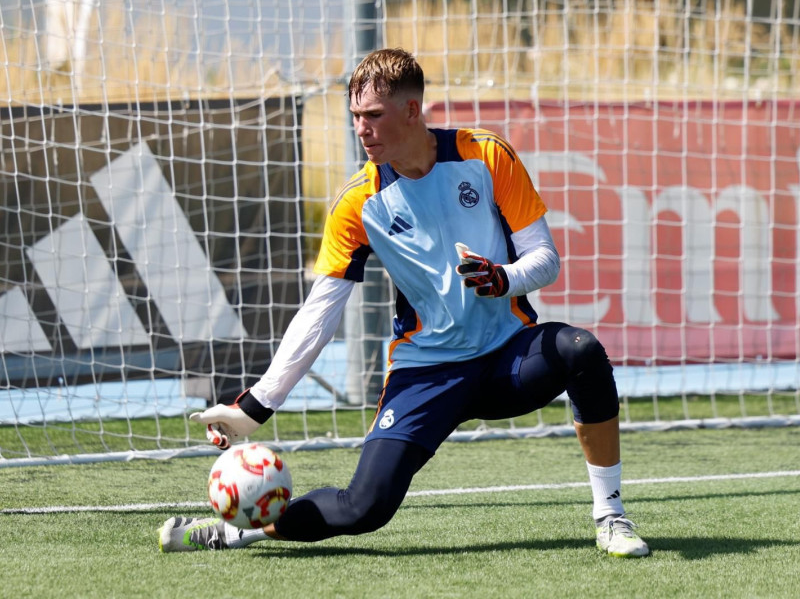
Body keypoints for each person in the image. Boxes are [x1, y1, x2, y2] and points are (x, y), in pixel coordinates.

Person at [159, 47, 649, 558]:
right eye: (355, 117)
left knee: (581, 350)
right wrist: (256, 405)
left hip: (510, 358)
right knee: (364, 508)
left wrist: (503, 279)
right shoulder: (359, 202)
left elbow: (544, 259)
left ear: (412, 111)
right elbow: (320, 313)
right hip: (428, 371)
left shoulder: (484, 155)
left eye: (373, 116)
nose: (361, 129)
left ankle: (611, 516)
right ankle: (238, 530)